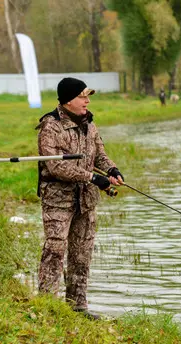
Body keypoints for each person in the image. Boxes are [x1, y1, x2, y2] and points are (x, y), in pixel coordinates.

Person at [36, 77, 124, 320]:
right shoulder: (50, 126)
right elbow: (54, 166)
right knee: (55, 249)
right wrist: (92, 178)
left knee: (82, 253)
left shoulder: (89, 123)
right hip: (57, 200)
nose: (87, 101)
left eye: (88, 97)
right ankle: (46, 306)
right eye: (82, 96)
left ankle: (77, 307)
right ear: (67, 100)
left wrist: (111, 170)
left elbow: (99, 154)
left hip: (86, 201)